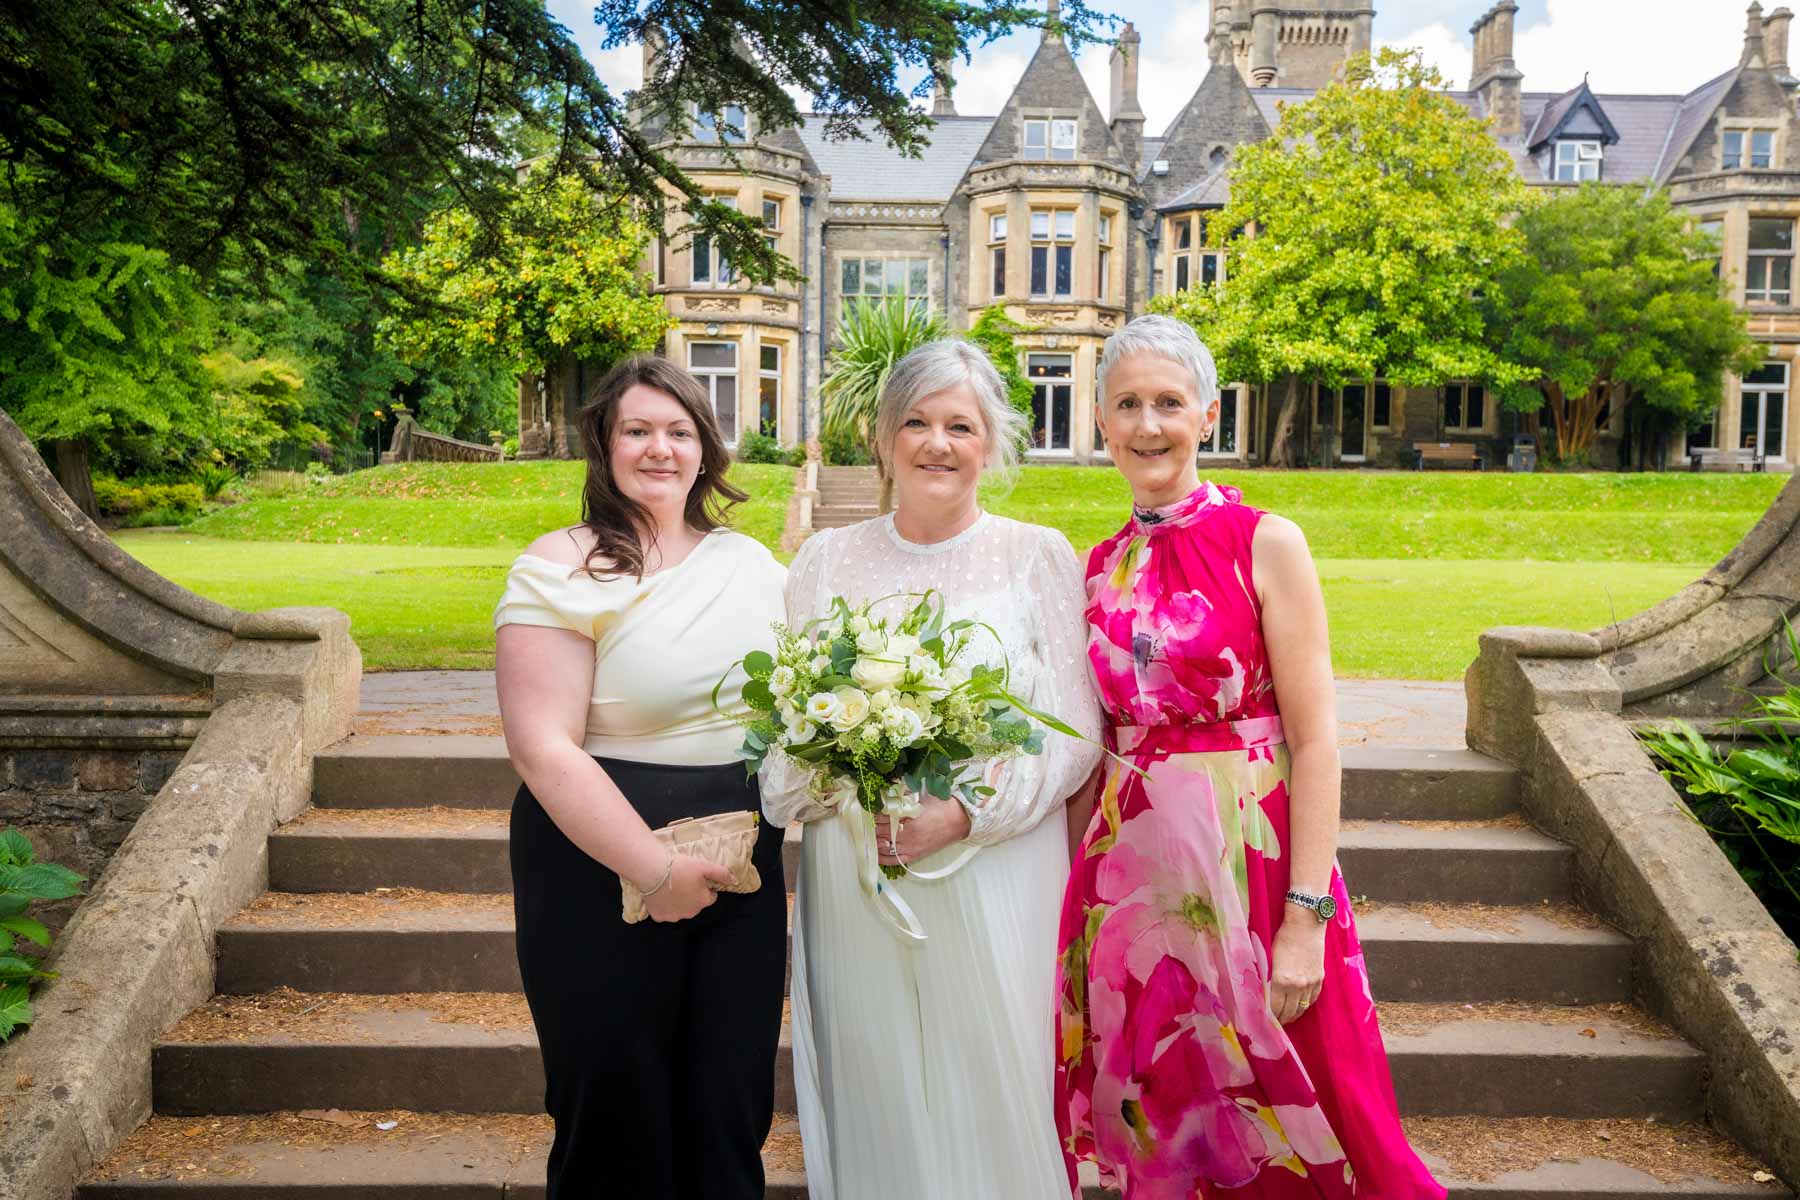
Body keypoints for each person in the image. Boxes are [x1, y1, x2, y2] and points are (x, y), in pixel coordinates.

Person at [1054, 316, 1444, 1200]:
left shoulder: (1265, 540)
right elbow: (1092, 746)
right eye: (1127, 406)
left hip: (1257, 864)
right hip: (1136, 884)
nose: (1148, 425)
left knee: (1318, 1109)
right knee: (1172, 1117)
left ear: (1207, 414)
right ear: (1102, 422)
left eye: (1167, 403)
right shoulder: (1097, 567)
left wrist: (1304, 917)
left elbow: (1317, 742)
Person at [762, 339, 1102, 1199]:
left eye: (961, 425)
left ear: (991, 444)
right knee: (876, 1069)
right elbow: (793, 724)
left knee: (996, 1067)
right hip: (859, 864)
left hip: (997, 862)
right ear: (882, 438)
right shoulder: (823, 562)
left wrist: (965, 814)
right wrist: (843, 782)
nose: (937, 443)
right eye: (915, 421)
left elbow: (1075, 734)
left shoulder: (1038, 555)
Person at [494, 354, 787, 1200]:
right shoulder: (562, 565)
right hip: (593, 861)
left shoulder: (755, 566)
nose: (660, 449)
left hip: (739, 866)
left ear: (705, 448)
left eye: (679, 431)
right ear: (604, 444)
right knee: (612, 1108)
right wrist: (651, 869)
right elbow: (541, 746)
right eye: (638, 431)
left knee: (729, 1105)